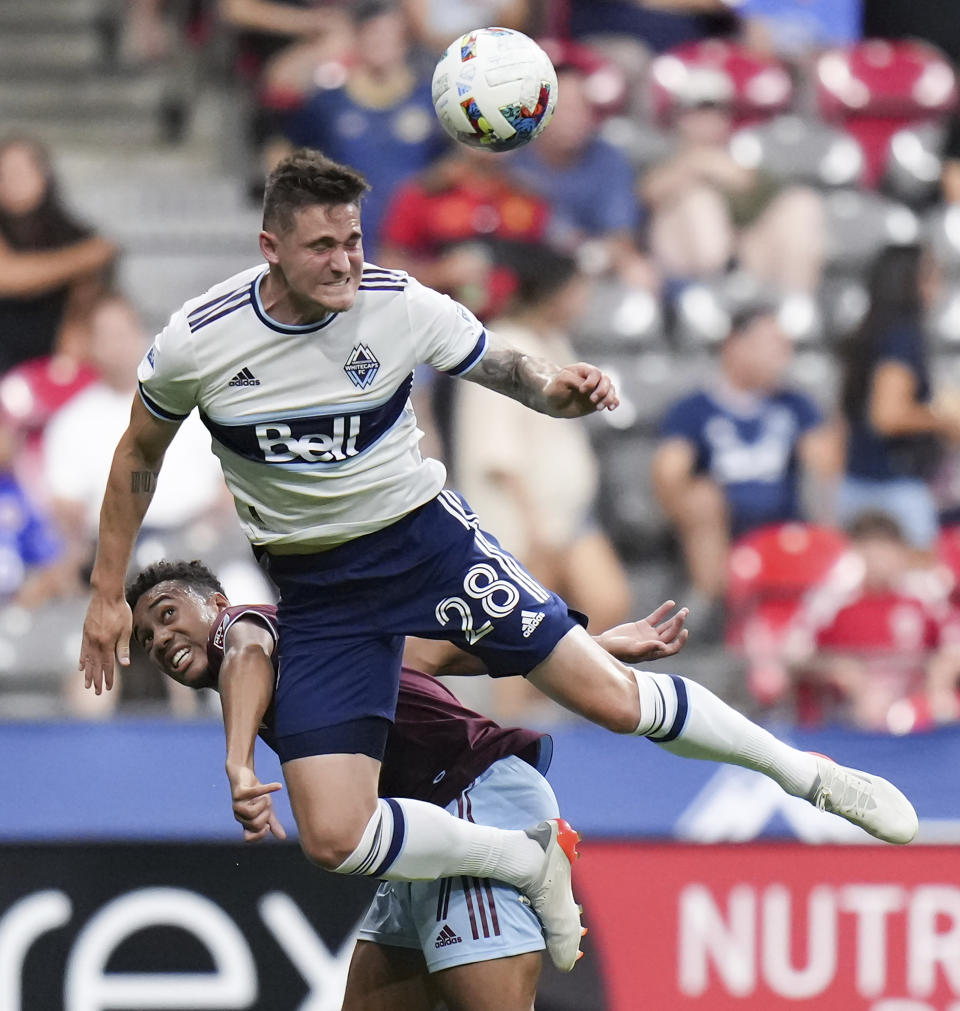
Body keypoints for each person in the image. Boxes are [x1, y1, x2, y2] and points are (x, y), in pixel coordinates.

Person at [79, 151, 918, 972]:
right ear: (271, 248)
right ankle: (526, 858)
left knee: (612, 701)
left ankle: (810, 775)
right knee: (335, 837)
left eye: (354, 240)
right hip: (320, 589)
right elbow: (137, 455)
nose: (345, 262)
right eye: (321, 247)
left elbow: (503, 365)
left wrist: (557, 390)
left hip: (424, 545)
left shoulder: (397, 304)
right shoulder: (200, 339)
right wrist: (107, 592)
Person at [126, 560, 688, 1008]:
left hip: (471, 793)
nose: (161, 639)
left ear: (218, 605)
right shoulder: (321, 644)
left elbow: (244, 651)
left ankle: (529, 857)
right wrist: (596, 650)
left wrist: (240, 763)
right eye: (148, 639)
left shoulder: (247, 629)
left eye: (169, 614)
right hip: (423, 829)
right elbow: (443, 651)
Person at [652, 304, 839, 609]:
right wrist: (695, 507)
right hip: (723, 530)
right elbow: (668, 475)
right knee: (700, 496)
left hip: (785, 527)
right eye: (772, 345)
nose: (783, 354)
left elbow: (828, 465)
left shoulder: (795, 404)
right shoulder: (693, 409)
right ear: (735, 346)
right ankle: (716, 605)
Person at [281, 0, 449, 258]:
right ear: (357, 38)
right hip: (344, 244)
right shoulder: (328, 102)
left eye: (390, 34)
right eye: (373, 33)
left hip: (415, 249)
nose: (381, 42)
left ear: (405, 40)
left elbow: (454, 161)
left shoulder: (432, 100)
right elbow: (284, 149)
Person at [836, 244, 960, 550]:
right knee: (916, 588)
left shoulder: (869, 331)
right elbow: (887, 415)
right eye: (931, 278)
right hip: (894, 490)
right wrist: (943, 419)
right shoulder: (902, 336)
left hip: (854, 482)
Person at [0, 135, 116, 375]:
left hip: (54, 363)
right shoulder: (85, 249)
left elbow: (83, 309)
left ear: (44, 173)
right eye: (4, 171)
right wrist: (83, 258)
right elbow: (7, 277)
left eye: (21, 168)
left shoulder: (73, 233)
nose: (12, 178)